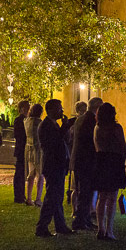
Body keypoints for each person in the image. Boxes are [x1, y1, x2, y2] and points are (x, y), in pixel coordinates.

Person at [35, 99, 75, 237]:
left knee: (57, 196)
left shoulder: (53, 124)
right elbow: (53, 143)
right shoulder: (45, 125)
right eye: (59, 108)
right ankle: (42, 227)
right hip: (52, 165)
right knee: (52, 196)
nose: (62, 110)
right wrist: (65, 127)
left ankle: (60, 225)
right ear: (50, 110)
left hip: (57, 164)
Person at [93, 102, 126, 241]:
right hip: (113, 161)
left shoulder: (97, 127)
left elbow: (96, 145)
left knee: (101, 197)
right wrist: (122, 161)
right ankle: (109, 230)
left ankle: (101, 229)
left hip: (101, 160)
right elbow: (122, 146)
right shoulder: (116, 128)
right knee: (112, 198)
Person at [70, 97, 101, 230]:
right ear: (97, 107)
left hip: (79, 160)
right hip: (86, 160)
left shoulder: (80, 118)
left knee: (83, 191)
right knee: (85, 192)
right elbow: (90, 141)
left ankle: (84, 219)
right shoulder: (90, 120)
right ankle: (81, 221)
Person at [24, 103, 44, 206]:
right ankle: (38, 198)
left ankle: (29, 197)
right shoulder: (40, 123)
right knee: (40, 174)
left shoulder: (26, 121)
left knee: (31, 174)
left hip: (29, 148)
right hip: (38, 149)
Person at [12, 100, 30, 204]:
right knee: (19, 172)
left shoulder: (25, 119)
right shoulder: (19, 120)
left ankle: (21, 194)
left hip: (23, 148)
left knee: (22, 172)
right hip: (21, 148)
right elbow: (19, 135)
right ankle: (18, 195)